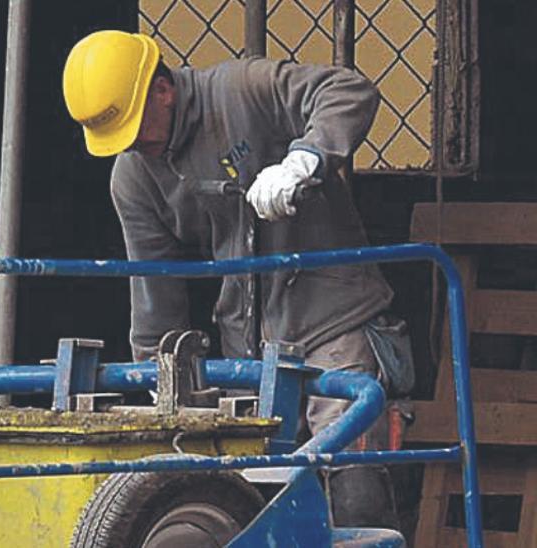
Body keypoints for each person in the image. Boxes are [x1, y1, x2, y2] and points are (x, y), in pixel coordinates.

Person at [63, 30, 413, 529]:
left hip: (334, 321)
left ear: (162, 89)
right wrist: (158, 389)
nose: (135, 144)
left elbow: (348, 90)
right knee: (250, 498)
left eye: (136, 126)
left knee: (350, 481)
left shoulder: (241, 88)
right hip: (248, 345)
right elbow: (154, 291)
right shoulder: (135, 175)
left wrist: (306, 158)